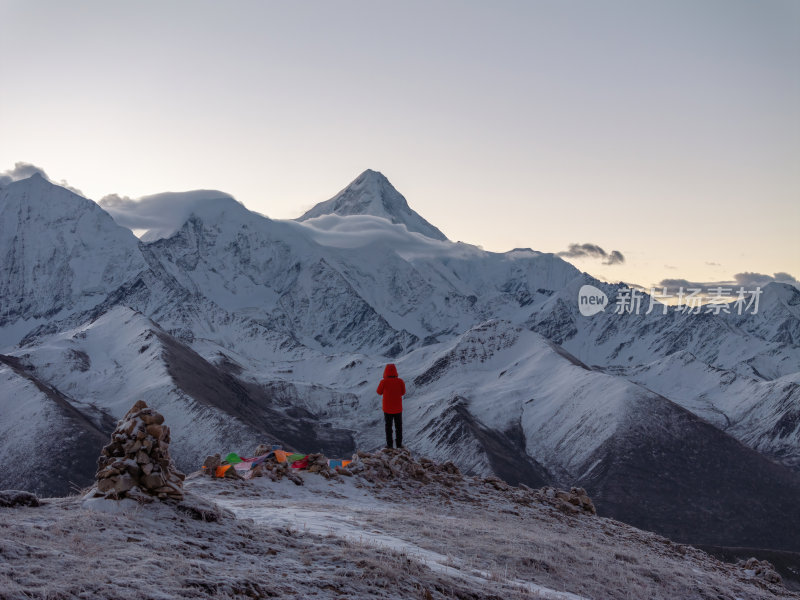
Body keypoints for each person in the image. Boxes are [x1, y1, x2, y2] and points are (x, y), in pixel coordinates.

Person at [377, 363, 405, 449]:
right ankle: (399, 445)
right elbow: (403, 392)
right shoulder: (400, 381)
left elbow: (379, 392)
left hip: (387, 409)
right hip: (398, 408)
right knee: (398, 427)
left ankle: (389, 445)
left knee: (388, 427)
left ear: (385, 372)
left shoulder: (383, 382)